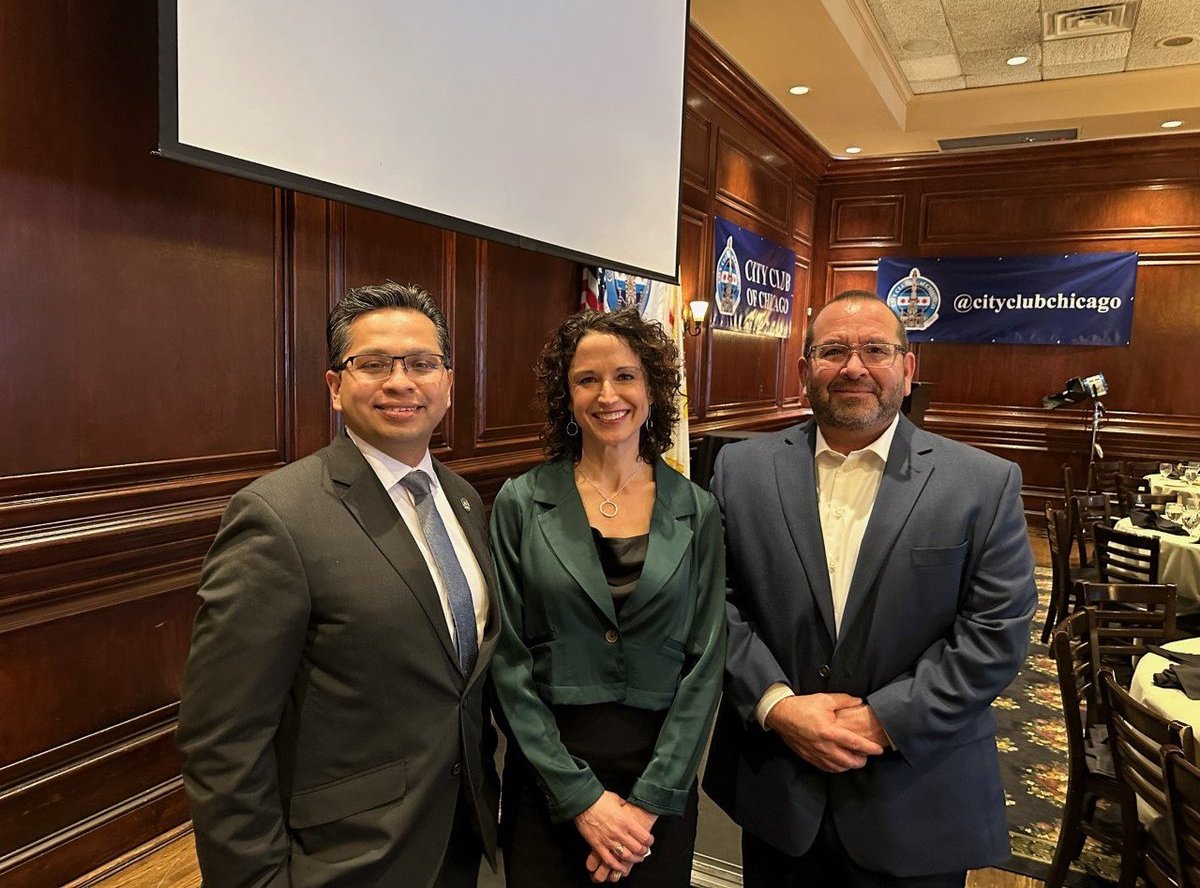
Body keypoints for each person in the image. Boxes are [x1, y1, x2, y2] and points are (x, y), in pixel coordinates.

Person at [703, 290, 1037, 887]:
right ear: (804, 370)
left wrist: (880, 720)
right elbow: (713, 605)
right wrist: (776, 705)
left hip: (916, 798)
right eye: (832, 350)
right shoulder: (740, 470)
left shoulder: (983, 484)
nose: (853, 367)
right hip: (780, 793)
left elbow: (994, 636)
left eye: (875, 350)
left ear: (907, 370)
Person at [177, 282, 498, 887]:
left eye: (422, 364)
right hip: (345, 857)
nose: (400, 381)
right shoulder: (278, 517)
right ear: (334, 386)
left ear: (448, 384)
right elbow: (223, 739)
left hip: (457, 834)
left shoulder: (462, 499)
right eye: (373, 363)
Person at [489, 308, 726, 886]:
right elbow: (506, 661)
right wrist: (580, 800)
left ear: (652, 388)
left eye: (625, 376)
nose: (607, 395)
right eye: (586, 379)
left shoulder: (697, 509)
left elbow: (706, 662)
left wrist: (647, 804)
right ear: (565, 396)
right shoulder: (520, 503)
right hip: (549, 773)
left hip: (658, 779)